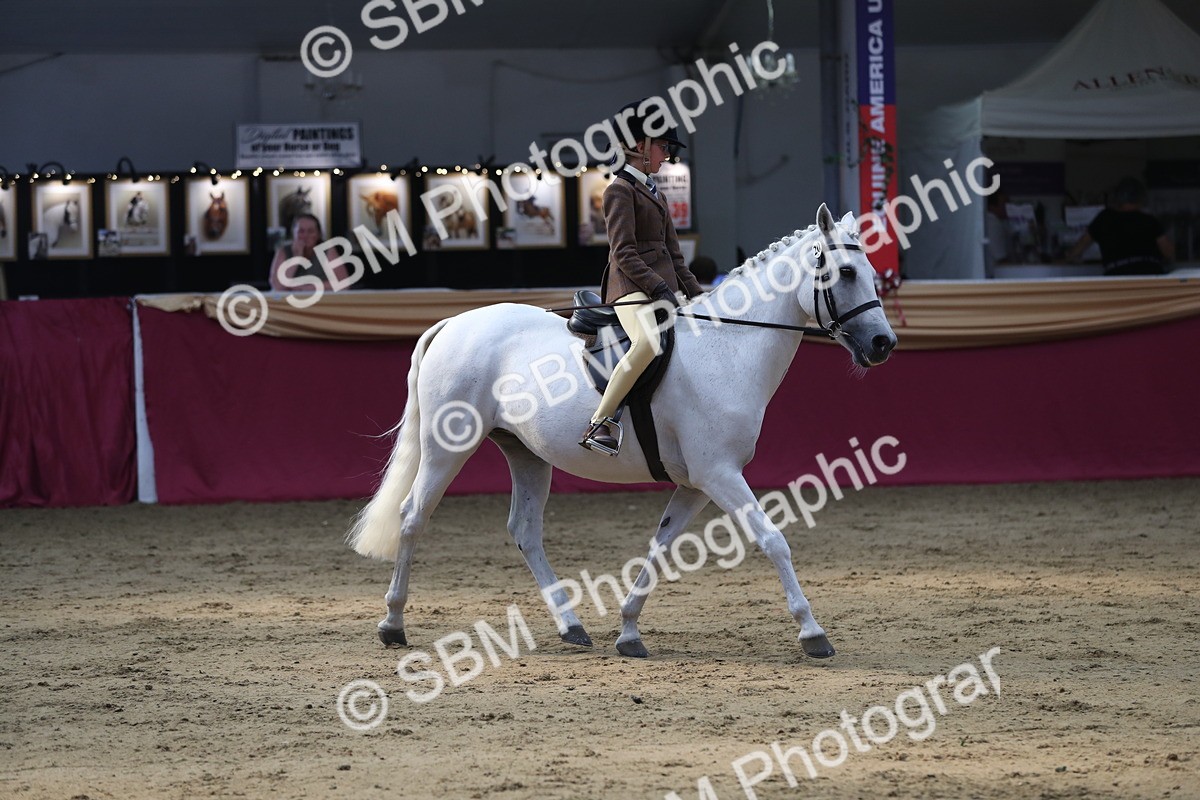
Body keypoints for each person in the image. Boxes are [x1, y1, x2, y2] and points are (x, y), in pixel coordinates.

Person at [580, 100, 704, 455]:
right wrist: (658, 287)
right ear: (640, 146)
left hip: (659, 289)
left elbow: (675, 257)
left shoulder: (656, 193)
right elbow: (623, 253)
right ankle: (600, 422)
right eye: (662, 147)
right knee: (647, 343)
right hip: (630, 288)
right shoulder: (619, 191)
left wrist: (699, 296)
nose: (667, 155)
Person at [1066, 177, 1174, 276]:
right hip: (1151, 274)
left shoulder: (1105, 218)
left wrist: (1069, 257)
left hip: (1118, 276)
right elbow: (1168, 252)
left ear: (1117, 198)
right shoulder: (1149, 220)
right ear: (1141, 199)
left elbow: (1080, 246)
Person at [269, 213, 347, 291]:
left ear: (318, 234)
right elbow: (277, 286)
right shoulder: (283, 251)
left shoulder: (327, 250)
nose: (305, 235)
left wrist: (305, 287)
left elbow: (344, 284)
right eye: (301, 231)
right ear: (294, 233)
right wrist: (297, 257)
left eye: (311, 231)